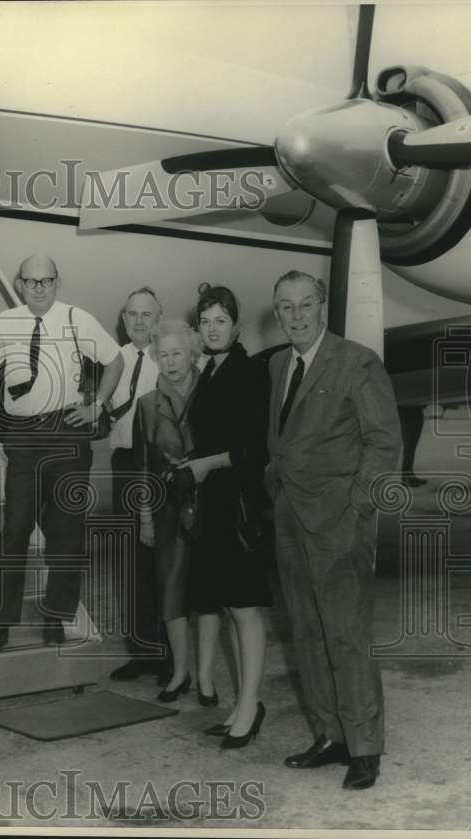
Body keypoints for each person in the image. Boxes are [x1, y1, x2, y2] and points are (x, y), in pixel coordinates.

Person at [264, 270, 400, 791]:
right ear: (276, 312)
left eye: (304, 305)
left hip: (339, 521)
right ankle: (330, 735)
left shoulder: (356, 361)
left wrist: (358, 506)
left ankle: (365, 748)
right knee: (306, 630)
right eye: (285, 307)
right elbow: (281, 440)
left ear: (322, 307)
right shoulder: (279, 364)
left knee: (346, 634)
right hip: (289, 520)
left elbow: (383, 443)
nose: (295, 316)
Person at [0, 255, 123, 652]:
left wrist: (99, 405)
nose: (39, 288)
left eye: (46, 281)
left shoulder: (79, 319)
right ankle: (0, 622)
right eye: (31, 281)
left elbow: (114, 361)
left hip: (68, 433)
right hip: (22, 437)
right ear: (19, 284)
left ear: (57, 282)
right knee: (16, 529)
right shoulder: (2, 324)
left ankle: (56, 617)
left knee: (67, 533)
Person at [181, 285, 272, 748]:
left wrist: (208, 464)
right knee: (233, 607)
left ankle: (251, 706)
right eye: (206, 321)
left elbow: (257, 450)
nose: (213, 328)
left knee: (244, 609)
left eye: (221, 320)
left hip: (238, 506)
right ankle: (244, 704)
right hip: (216, 505)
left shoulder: (247, 372)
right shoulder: (213, 370)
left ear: (236, 325)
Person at [132, 320, 200, 703]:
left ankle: (206, 676)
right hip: (167, 508)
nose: (172, 362)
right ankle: (181, 673)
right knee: (171, 592)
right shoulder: (147, 405)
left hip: (208, 501)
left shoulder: (209, 395)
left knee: (207, 595)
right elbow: (144, 468)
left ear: (192, 355)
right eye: (165, 355)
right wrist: (145, 517)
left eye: (178, 354)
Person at [107, 287, 169, 683]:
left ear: (158, 320)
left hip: (158, 465)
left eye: (147, 314)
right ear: (124, 319)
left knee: (162, 563)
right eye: (132, 314)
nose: (139, 321)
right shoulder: (115, 360)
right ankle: (141, 650)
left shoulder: (168, 360)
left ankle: (168, 655)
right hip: (124, 465)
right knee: (129, 561)